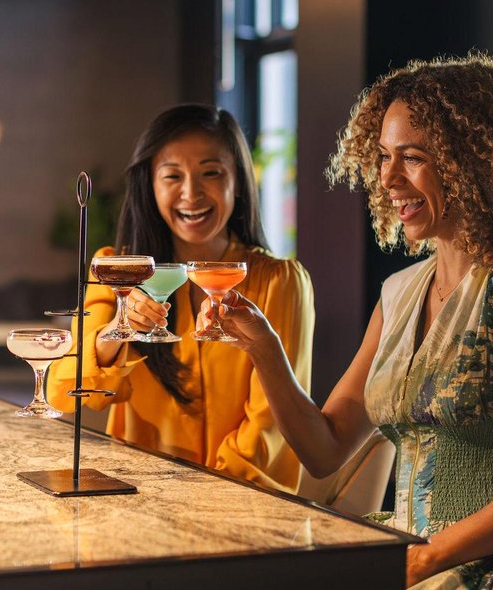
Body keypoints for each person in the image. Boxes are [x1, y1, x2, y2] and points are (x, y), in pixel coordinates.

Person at [221, 54, 493, 588]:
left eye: (413, 157)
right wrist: (265, 350)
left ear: (477, 163)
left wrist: (425, 558)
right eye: (382, 156)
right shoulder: (399, 293)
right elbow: (326, 447)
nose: (387, 177)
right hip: (411, 556)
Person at [48, 103, 315, 493]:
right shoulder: (116, 269)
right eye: (172, 176)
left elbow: (269, 427)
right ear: (150, 185)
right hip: (134, 500)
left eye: (211, 173)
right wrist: (116, 333)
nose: (191, 193)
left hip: (239, 509)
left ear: (238, 182)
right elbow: (61, 388)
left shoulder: (279, 282)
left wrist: (202, 497)